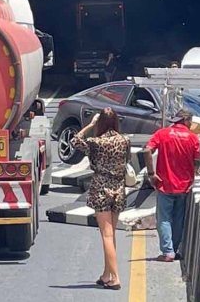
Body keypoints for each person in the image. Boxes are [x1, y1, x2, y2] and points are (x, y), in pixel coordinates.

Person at [71, 108, 130, 290]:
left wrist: (90, 125)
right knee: (112, 235)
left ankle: (115, 277)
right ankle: (106, 274)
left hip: (101, 188)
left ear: (101, 123)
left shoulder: (96, 142)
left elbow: (74, 141)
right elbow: (127, 160)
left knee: (106, 234)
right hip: (118, 188)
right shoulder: (125, 141)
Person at [143, 109, 200, 262]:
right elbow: (197, 160)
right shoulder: (193, 137)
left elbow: (147, 150)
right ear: (187, 121)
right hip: (184, 185)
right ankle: (174, 250)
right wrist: (192, 175)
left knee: (164, 218)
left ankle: (168, 251)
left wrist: (151, 173)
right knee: (178, 218)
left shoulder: (162, 134)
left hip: (164, 183)